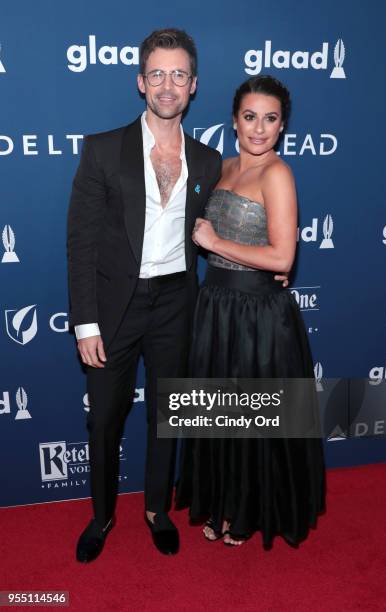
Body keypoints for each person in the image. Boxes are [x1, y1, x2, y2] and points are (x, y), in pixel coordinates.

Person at [67, 28, 224, 561]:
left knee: (169, 414)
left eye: (178, 74)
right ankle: (102, 515)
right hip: (115, 307)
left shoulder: (207, 161)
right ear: (140, 82)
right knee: (105, 417)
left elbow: (219, 230)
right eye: (157, 74)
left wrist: (265, 262)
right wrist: (85, 323)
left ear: (193, 86)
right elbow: (81, 241)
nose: (167, 84)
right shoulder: (103, 150)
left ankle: (157, 508)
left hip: (177, 302)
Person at [175, 75, 326, 548]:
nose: (259, 128)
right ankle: (223, 502)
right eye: (249, 117)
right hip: (217, 308)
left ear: (282, 126)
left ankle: (246, 512)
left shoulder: (278, 174)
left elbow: (283, 258)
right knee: (223, 417)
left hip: (257, 316)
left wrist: (217, 243)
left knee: (252, 423)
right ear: (235, 120)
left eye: (270, 118)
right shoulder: (225, 166)